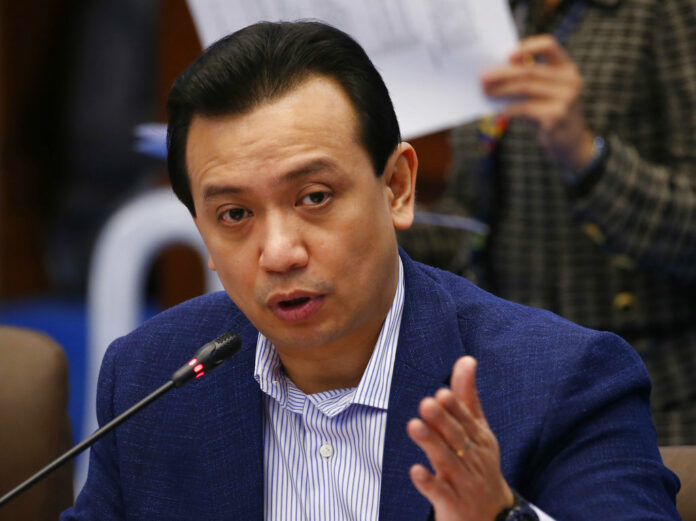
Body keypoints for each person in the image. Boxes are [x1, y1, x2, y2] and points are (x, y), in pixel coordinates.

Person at [61, 21, 679, 521]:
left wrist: (501, 516)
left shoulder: (561, 382)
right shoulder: (150, 380)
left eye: (315, 198)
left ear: (397, 188)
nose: (279, 253)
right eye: (234, 213)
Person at [439, 0, 696, 445]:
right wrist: (374, 206)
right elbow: (474, 222)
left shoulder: (666, 12)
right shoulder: (489, 16)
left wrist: (583, 153)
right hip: (516, 399)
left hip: (648, 410)